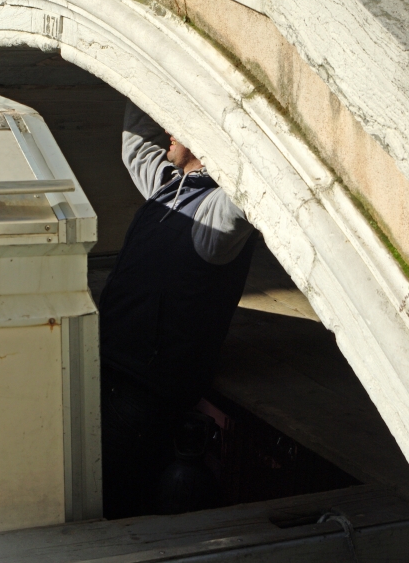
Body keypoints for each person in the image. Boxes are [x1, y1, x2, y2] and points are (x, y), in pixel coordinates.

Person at [99, 101, 256, 519]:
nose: (169, 130)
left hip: (146, 390)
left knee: (115, 500)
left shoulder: (215, 218)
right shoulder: (168, 186)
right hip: (113, 368)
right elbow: (135, 147)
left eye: (180, 125)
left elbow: (254, 185)